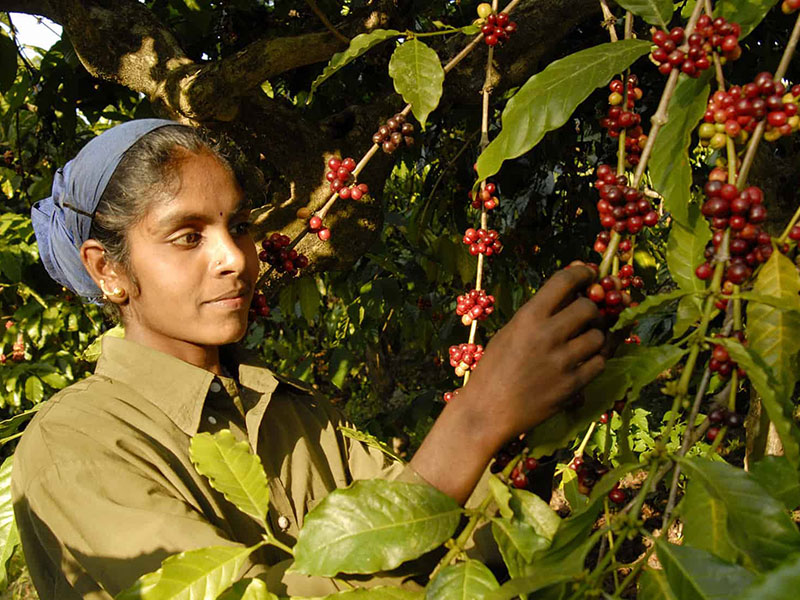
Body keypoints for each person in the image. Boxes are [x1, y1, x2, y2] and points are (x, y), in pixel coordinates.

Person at [11, 119, 606, 599]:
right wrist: (476, 417)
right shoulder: (76, 445)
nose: (235, 259)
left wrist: (544, 406)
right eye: (188, 236)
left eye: (238, 227)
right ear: (107, 268)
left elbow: (431, 527)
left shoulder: (291, 410)